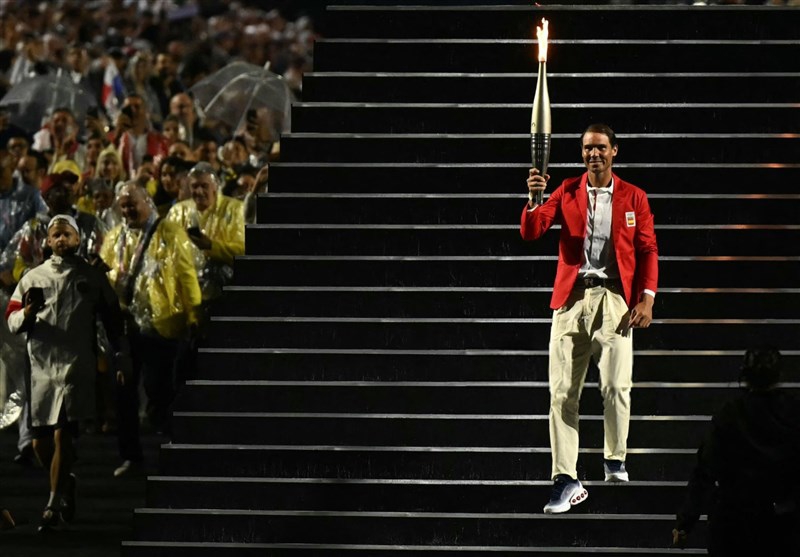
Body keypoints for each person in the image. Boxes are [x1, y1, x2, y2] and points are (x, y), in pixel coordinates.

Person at [521, 123, 659, 514]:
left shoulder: (635, 197)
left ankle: (615, 459)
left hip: (616, 298)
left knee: (616, 386)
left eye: (600, 147)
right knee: (562, 393)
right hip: (571, 300)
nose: (593, 154)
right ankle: (565, 479)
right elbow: (532, 232)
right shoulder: (566, 190)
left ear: (614, 151)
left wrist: (646, 298)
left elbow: (648, 248)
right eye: (587, 148)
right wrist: (534, 198)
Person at [5, 214, 129, 531]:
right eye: (56, 235)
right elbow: (12, 319)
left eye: (67, 235)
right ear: (48, 241)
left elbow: (114, 321)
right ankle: (66, 483)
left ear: (77, 240)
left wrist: (120, 356)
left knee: (64, 433)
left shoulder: (91, 277)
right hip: (43, 369)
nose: (61, 240)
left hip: (77, 367)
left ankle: (52, 503)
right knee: (39, 444)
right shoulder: (33, 277)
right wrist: (27, 315)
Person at [100, 182, 201, 475]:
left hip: (162, 326)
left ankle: (173, 451)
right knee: (124, 394)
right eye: (123, 205)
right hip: (125, 327)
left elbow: (187, 275)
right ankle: (131, 456)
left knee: (160, 392)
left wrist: (194, 315)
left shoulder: (170, 232)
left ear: (148, 202)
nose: (128, 209)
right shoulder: (115, 236)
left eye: (133, 203)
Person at [672, 347, 800, 555]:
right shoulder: (793, 412)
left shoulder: (730, 413)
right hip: (781, 521)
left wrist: (685, 522)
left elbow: (704, 471)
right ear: (779, 375)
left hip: (733, 521)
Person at [166, 162, 245, 303]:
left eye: (204, 186)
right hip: (186, 291)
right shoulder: (178, 211)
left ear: (215, 187)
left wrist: (211, 246)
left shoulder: (235, 210)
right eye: (195, 186)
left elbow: (244, 251)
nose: (199, 191)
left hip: (225, 291)